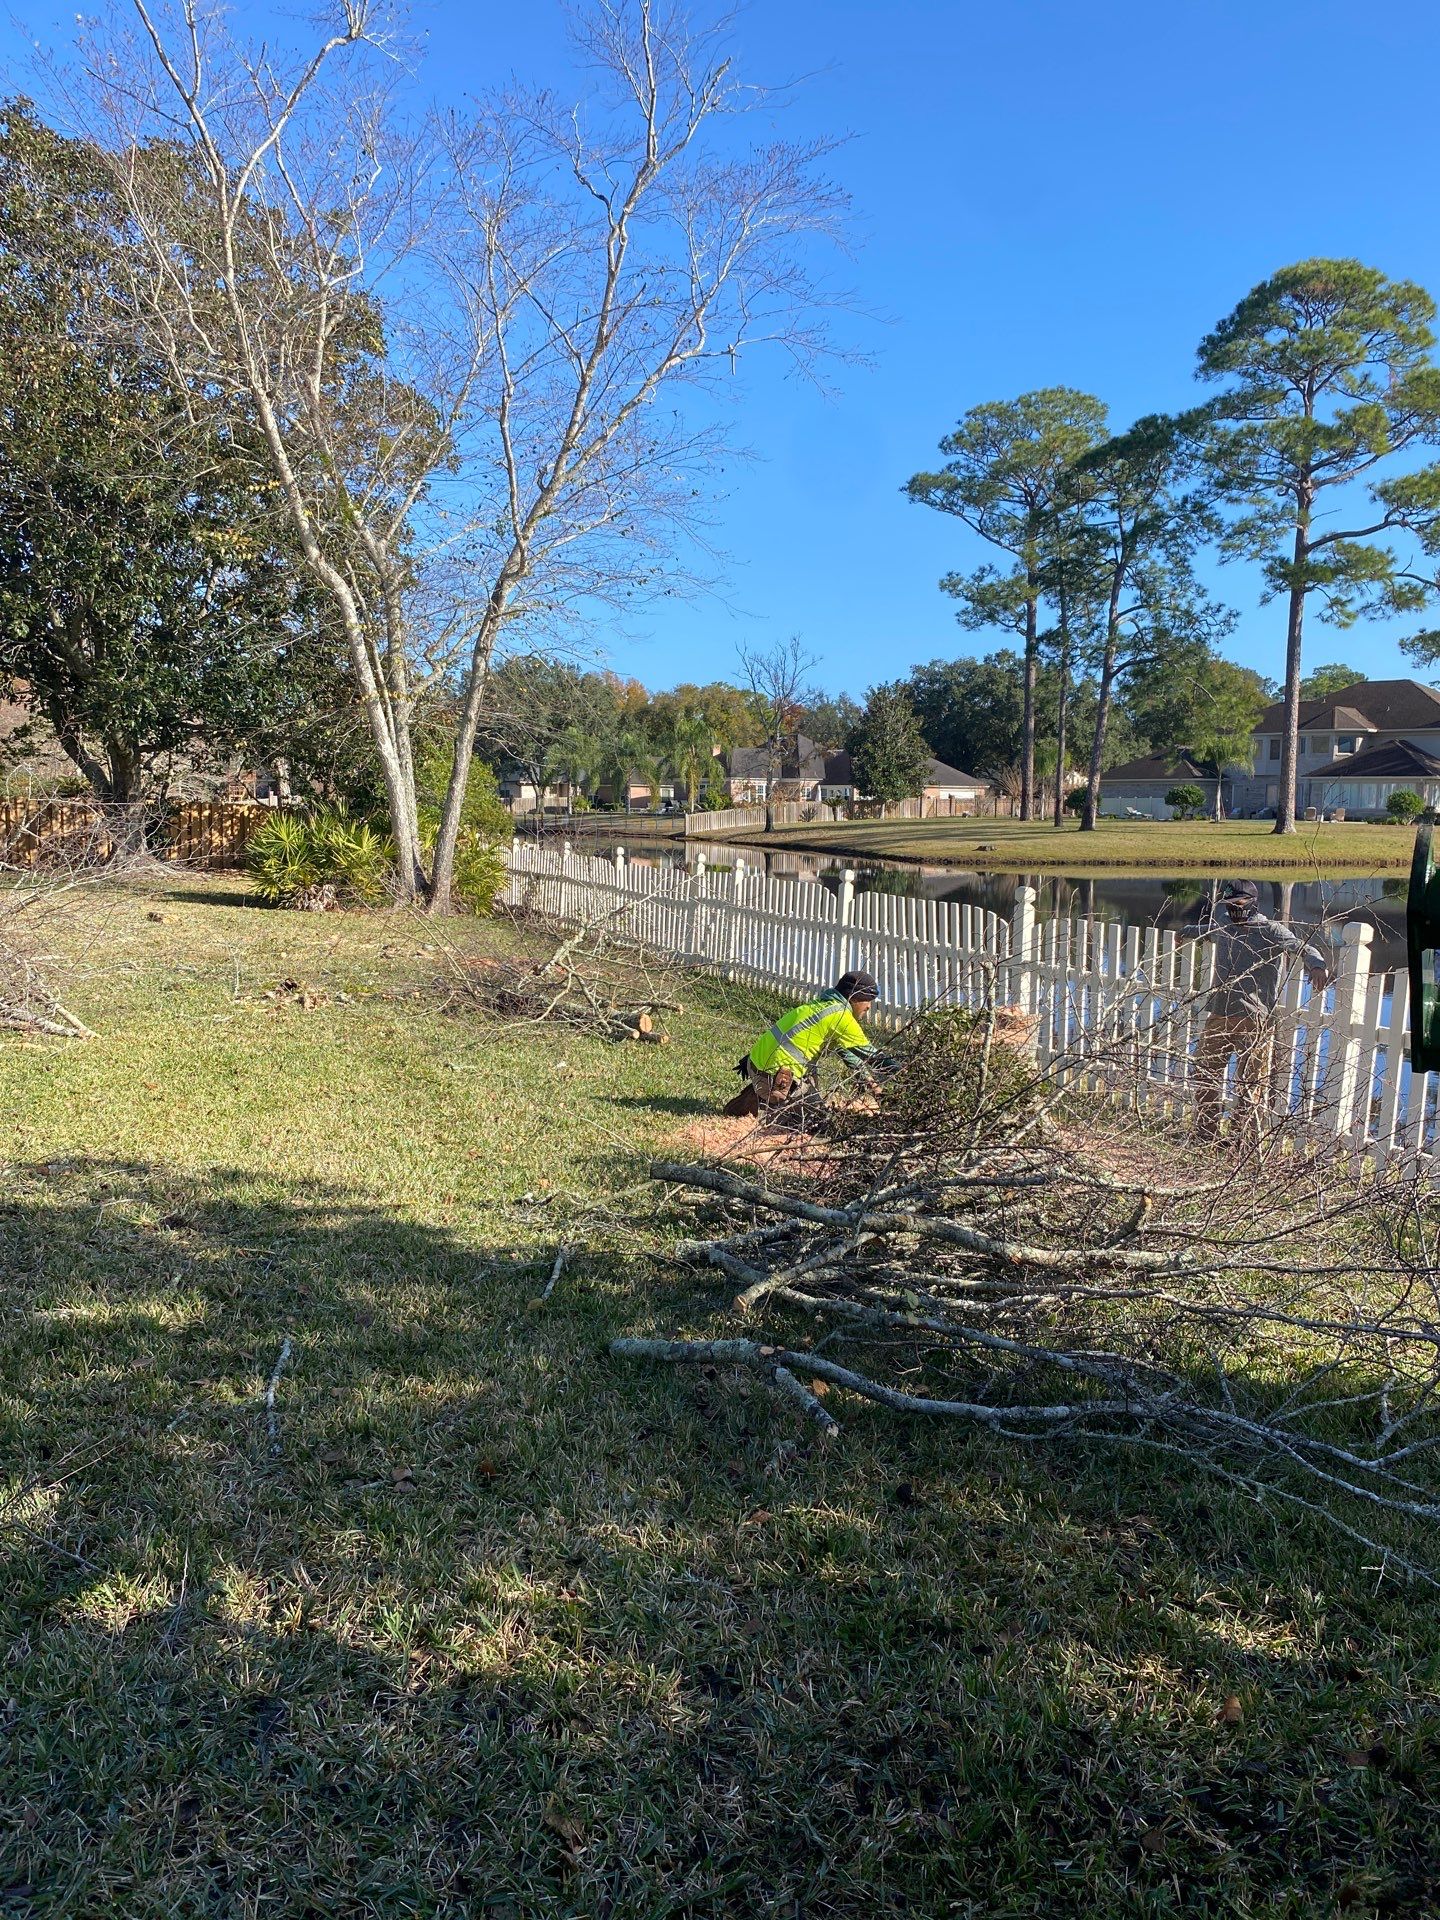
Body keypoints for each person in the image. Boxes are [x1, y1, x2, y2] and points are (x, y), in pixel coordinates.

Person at [1190, 879, 1330, 1143]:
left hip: (1255, 1019)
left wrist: (1317, 966)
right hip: (1219, 1014)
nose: (1234, 908)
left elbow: (1303, 947)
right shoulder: (1224, 923)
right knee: (1205, 1072)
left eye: (1239, 902)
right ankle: (1206, 1135)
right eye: (1229, 903)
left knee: (1251, 1084)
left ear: (1252, 902)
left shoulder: (1270, 930)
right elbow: (1207, 930)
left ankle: (1242, 1142)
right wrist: (1185, 931)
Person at [723, 969, 880, 1118]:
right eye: (868, 1000)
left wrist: (873, 1086)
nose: (869, 1006)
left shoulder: (822, 1006)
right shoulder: (841, 1017)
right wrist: (895, 1074)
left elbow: (850, 1056)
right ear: (853, 998)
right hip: (776, 1076)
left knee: (810, 1078)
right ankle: (764, 1101)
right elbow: (874, 1057)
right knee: (816, 1121)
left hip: (756, 1064)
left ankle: (766, 1094)